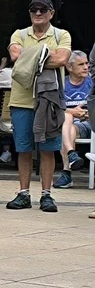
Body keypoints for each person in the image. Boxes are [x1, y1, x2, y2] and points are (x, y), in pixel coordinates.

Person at [5, 0, 71, 213]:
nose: (38, 13)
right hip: (22, 101)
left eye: (43, 9)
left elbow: (62, 59)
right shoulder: (19, 33)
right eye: (34, 9)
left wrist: (30, 56)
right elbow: (16, 56)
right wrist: (45, 54)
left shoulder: (62, 34)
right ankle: (23, 193)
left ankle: (46, 194)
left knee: (47, 150)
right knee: (23, 149)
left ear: (52, 13)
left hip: (50, 102)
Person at [56, 50, 91, 189]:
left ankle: (66, 173)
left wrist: (90, 113)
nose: (86, 67)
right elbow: (55, 108)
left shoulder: (92, 82)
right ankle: (71, 155)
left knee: (66, 121)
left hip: (91, 123)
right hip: (72, 126)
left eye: (87, 63)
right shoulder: (62, 84)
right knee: (67, 117)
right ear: (69, 67)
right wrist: (72, 112)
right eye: (81, 64)